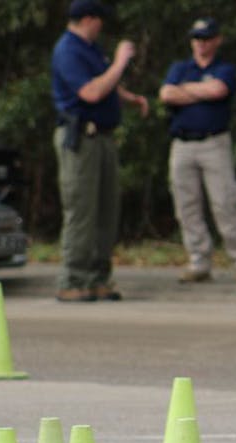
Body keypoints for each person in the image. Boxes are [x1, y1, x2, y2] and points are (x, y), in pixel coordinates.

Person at [50, 0, 149, 302]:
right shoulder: (68, 50)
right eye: (99, 20)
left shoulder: (91, 49)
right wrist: (120, 62)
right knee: (82, 210)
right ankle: (73, 279)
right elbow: (90, 92)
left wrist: (131, 98)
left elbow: (107, 84)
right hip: (81, 139)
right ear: (88, 19)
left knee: (107, 210)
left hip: (103, 138)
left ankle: (98, 277)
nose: (102, 26)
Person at [159, 17, 236, 284]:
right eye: (197, 39)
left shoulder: (224, 68)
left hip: (214, 143)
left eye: (206, 39)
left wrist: (185, 91)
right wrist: (199, 91)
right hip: (182, 144)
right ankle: (198, 261)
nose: (201, 44)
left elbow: (218, 90)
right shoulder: (180, 67)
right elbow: (166, 94)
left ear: (217, 40)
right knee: (186, 206)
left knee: (224, 202)